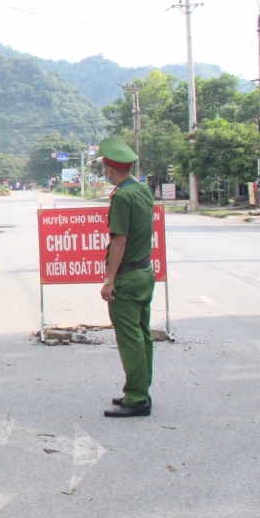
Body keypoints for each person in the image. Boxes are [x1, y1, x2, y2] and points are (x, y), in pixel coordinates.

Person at [98, 138, 156, 418]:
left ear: (110, 169)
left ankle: (137, 398)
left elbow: (119, 240)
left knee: (129, 338)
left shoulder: (121, 197)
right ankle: (140, 389)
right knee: (142, 334)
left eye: (105, 168)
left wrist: (109, 281)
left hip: (128, 277)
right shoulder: (143, 190)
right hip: (145, 272)